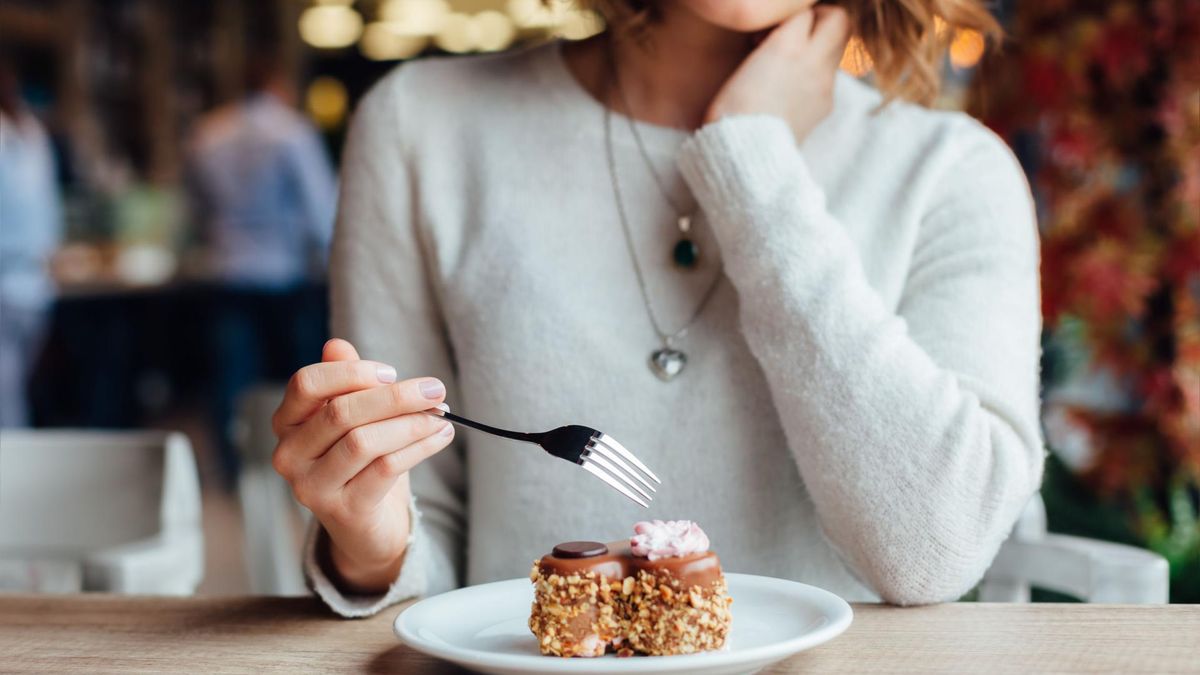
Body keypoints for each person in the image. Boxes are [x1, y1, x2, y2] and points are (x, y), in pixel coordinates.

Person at [272, 0, 1044, 616]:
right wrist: (371, 541)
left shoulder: (952, 172)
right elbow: (426, 543)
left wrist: (752, 164)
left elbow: (935, 547)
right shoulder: (421, 129)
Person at [186, 50, 337, 482]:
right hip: (283, 273)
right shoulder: (291, 131)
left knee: (230, 377)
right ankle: (299, 464)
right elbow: (319, 209)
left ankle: (233, 470)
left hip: (226, 268)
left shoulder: (207, 132)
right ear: (277, 84)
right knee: (297, 378)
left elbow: (195, 208)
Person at [0, 58, 63, 428]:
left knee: (20, 385)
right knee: (5, 392)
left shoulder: (32, 131)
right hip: (5, 275)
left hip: (36, 277)